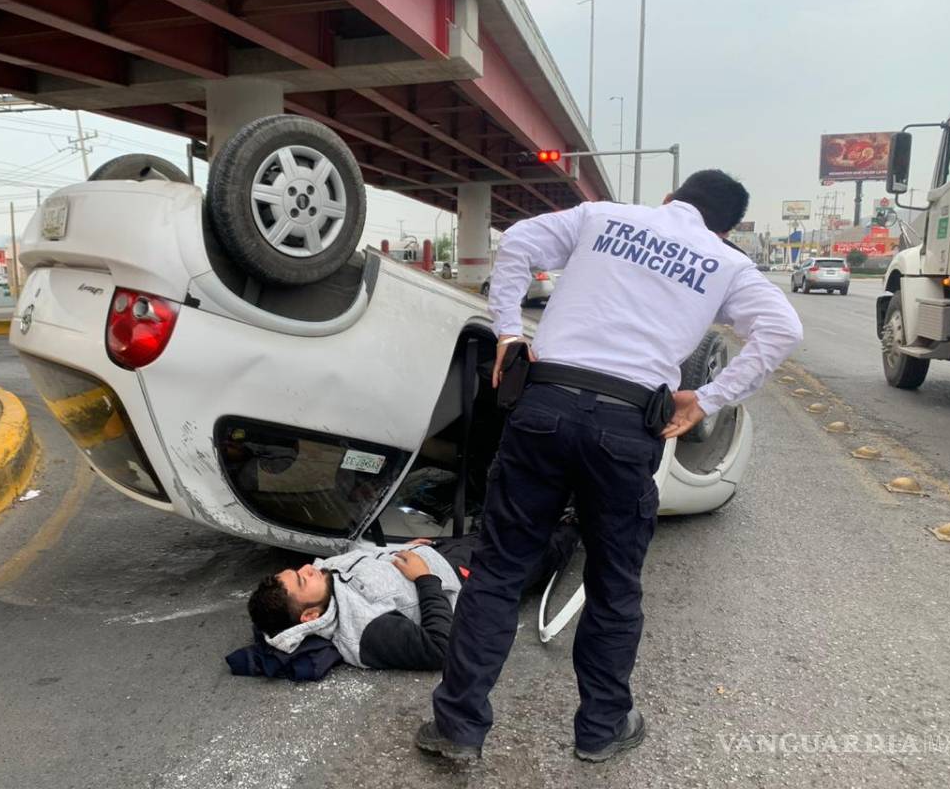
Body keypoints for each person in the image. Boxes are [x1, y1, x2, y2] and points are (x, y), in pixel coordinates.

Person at [415, 170, 803, 763]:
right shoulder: (726, 263)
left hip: (544, 406)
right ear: (725, 229)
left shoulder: (602, 216)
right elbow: (782, 329)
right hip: (627, 428)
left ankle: (457, 730)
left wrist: (509, 334)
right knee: (612, 583)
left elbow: (516, 242)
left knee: (498, 571)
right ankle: (601, 729)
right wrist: (708, 398)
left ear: (669, 199)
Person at [248, 542, 460, 671]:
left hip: (431, 550)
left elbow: (363, 555)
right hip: (456, 572)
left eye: (297, 571)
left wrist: (399, 549)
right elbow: (440, 649)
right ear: (310, 615)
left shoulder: (324, 578)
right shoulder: (367, 629)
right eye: (302, 580)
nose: (307, 567)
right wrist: (425, 577)